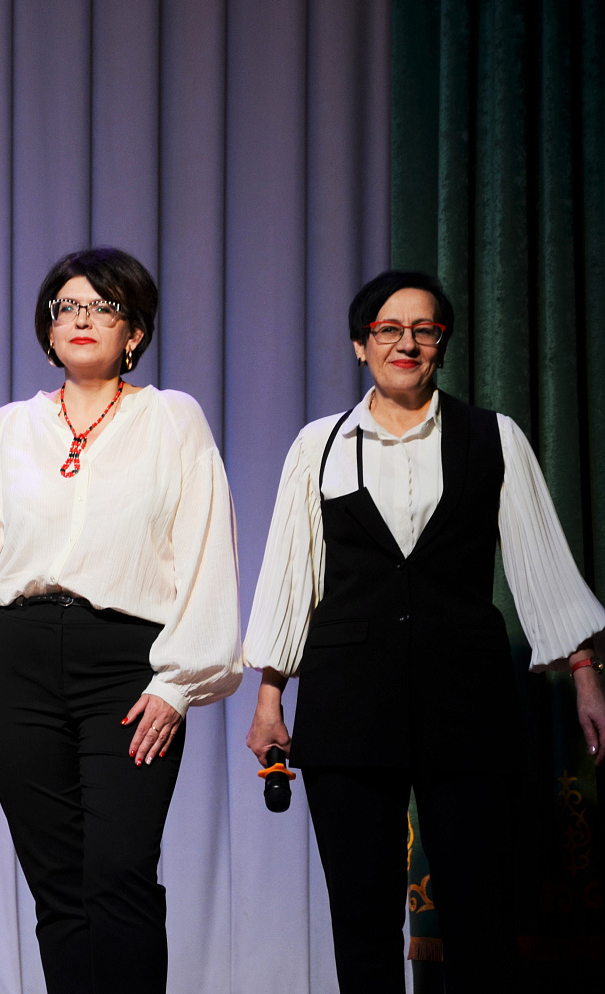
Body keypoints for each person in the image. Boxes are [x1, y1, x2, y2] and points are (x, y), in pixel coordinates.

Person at [244, 270, 605, 992]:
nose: (405, 343)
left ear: (441, 343)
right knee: (361, 918)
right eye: (388, 329)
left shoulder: (494, 437)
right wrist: (269, 697)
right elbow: (290, 574)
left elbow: (539, 560)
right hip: (348, 706)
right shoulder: (320, 446)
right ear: (361, 344)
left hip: (468, 700)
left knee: (481, 914)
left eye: (423, 330)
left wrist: (585, 672)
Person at [0, 247, 243, 993]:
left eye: (104, 306)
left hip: (128, 667)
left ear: (134, 332)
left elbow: (205, 552)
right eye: (68, 307)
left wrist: (178, 684)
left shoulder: (172, 419)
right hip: (19, 662)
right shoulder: (11, 428)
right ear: (49, 328)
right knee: (58, 887)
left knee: (121, 875)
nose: (82, 318)